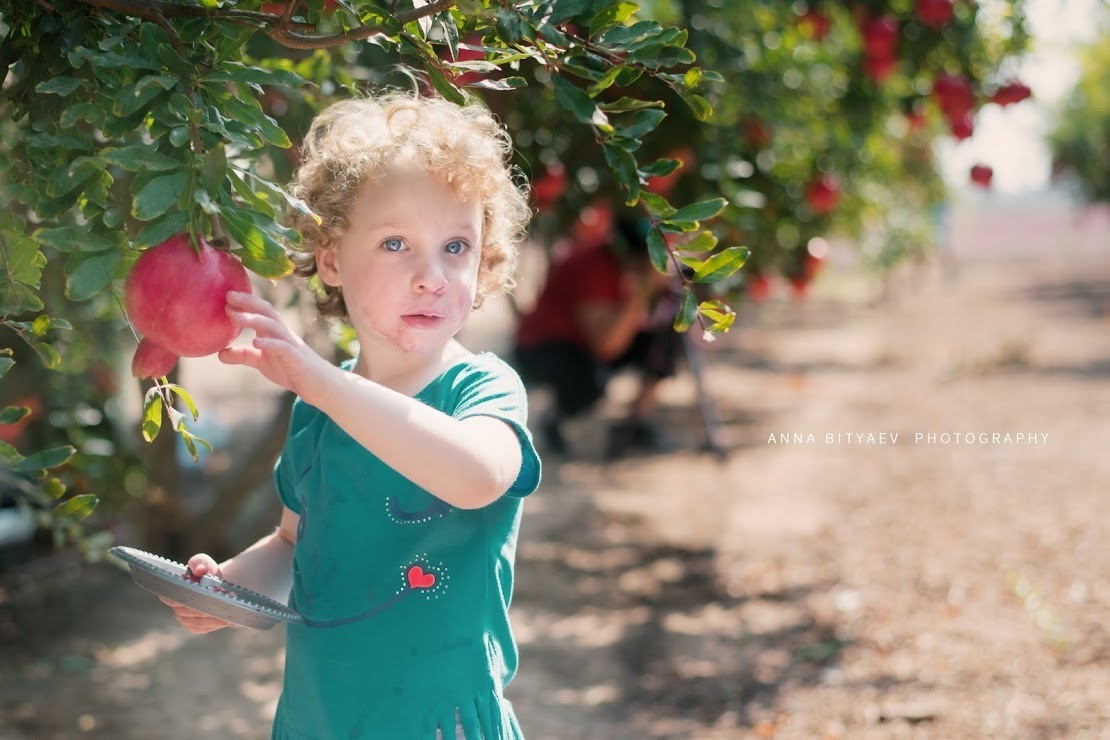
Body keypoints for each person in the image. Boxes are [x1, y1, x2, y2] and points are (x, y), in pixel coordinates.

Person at [157, 92, 542, 740]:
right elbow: (290, 544)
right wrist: (228, 588)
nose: (432, 276)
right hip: (320, 721)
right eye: (396, 243)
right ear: (331, 258)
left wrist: (323, 382)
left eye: (456, 246)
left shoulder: (482, 390)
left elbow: (477, 476)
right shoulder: (319, 411)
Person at [512, 211, 682, 458]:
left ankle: (637, 422)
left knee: (664, 339)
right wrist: (644, 290)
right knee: (590, 384)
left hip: (585, 341)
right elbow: (606, 345)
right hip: (545, 347)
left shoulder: (619, 263)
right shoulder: (591, 268)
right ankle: (554, 417)